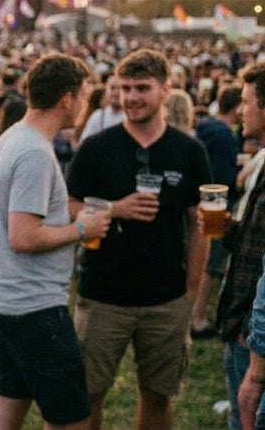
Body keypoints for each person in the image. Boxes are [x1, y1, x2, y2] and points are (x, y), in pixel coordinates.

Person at [66, 49, 211, 429]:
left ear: (166, 90)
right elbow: (68, 207)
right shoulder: (97, 148)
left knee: (158, 394)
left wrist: (191, 294)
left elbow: (201, 226)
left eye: (142, 88)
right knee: (88, 393)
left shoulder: (189, 152)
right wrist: (115, 209)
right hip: (102, 295)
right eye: (125, 88)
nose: (131, 97)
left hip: (165, 298)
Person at [0, 53, 110, 430]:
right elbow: (23, 236)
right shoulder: (34, 151)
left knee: (12, 399)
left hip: (6, 295)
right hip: (33, 305)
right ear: (67, 99)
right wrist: (83, 229)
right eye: (84, 96)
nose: (86, 105)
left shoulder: (12, 138)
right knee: (71, 418)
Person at [218, 62, 265, 430]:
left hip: (254, 332)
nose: (240, 110)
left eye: (248, 101)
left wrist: (251, 332)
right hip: (245, 322)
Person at [191, 86, 242, 340]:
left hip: (200, 202)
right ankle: (197, 319)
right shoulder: (224, 135)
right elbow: (223, 178)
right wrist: (242, 175)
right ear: (236, 108)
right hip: (216, 208)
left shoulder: (206, 126)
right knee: (211, 267)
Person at [79, 75, 124, 141]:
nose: (116, 92)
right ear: (106, 90)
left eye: (121, 88)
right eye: (113, 88)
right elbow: (84, 143)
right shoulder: (98, 116)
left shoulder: (132, 116)